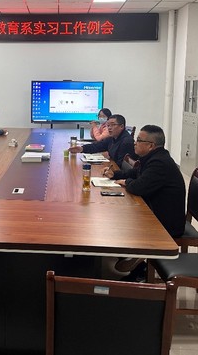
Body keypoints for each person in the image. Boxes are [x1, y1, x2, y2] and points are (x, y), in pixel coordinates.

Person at [104, 124, 186, 277]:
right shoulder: (152, 158)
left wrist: (126, 182)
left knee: (116, 218)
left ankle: (138, 266)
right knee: (116, 214)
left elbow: (138, 187)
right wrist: (115, 175)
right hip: (154, 211)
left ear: (151, 146)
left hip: (164, 222)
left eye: (139, 140)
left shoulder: (159, 163)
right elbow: (135, 173)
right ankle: (128, 257)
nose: (135, 143)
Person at [68, 114, 134, 168]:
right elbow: (98, 146)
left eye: (113, 125)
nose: (109, 128)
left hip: (119, 174)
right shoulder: (113, 137)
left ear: (121, 126)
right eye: (108, 125)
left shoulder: (126, 141)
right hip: (112, 168)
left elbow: (120, 166)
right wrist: (82, 149)